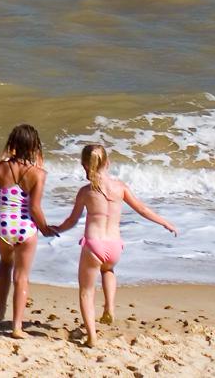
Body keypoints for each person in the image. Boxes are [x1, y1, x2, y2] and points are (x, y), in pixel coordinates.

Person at [52, 143, 178, 347]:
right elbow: (142, 209)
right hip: (114, 246)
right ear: (108, 163)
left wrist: (55, 228)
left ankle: (92, 337)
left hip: (94, 245)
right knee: (108, 270)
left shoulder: (86, 191)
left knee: (86, 291)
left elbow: (72, 220)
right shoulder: (120, 187)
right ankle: (109, 307)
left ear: (85, 165)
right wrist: (165, 222)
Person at [0, 124, 59, 339]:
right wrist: (45, 227)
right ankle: (17, 326)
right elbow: (35, 208)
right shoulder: (38, 174)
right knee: (22, 277)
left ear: (12, 144)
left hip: (4, 226)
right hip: (26, 228)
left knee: (5, 263)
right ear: (35, 146)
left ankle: (0, 309)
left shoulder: (0, 168)